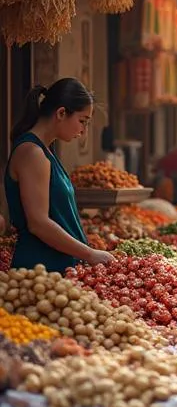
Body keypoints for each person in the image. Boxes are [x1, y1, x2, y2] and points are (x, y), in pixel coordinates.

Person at [4, 79, 113, 272]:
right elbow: (38, 223)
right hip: (41, 271)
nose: (83, 131)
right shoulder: (32, 152)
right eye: (82, 121)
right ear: (61, 113)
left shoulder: (46, 150)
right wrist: (89, 253)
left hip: (60, 270)